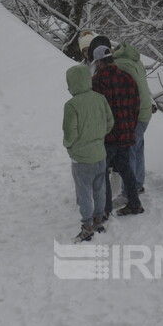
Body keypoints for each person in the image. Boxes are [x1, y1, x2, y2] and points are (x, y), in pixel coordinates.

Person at [62, 64, 115, 242]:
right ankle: (99, 219)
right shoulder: (100, 99)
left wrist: (68, 146)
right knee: (99, 188)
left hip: (81, 158)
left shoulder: (71, 105)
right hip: (100, 153)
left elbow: (70, 133)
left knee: (83, 192)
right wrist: (98, 137)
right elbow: (110, 122)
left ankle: (87, 226)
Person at [90, 44, 143, 217]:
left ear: (98, 62)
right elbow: (136, 104)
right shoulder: (127, 78)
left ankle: (104, 210)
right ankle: (134, 203)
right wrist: (130, 126)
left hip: (108, 135)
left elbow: (96, 110)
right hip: (126, 132)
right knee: (125, 168)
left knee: (102, 171)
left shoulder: (97, 81)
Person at [111, 43, 156, 195]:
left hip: (136, 113)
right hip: (145, 111)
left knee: (129, 150)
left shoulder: (120, 64)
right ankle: (138, 182)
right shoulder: (135, 60)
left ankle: (130, 189)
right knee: (138, 147)